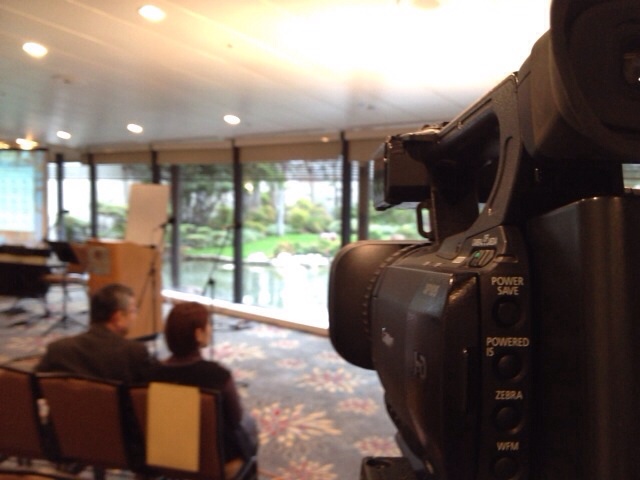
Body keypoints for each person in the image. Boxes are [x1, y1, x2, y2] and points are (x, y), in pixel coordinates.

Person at [148, 301, 258, 465]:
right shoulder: (218, 376)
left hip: (166, 455)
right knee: (249, 423)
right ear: (198, 334)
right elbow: (235, 419)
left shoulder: (150, 374)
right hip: (213, 461)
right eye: (208, 324)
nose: (210, 329)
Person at [36, 283, 154, 383]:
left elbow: (34, 385)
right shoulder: (134, 352)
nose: (135, 317)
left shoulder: (57, 349)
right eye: (133, 311)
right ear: (118, 317)